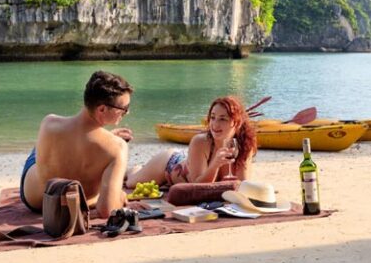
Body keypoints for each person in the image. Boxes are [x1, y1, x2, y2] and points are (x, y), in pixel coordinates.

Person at [19, 71, 134, 218]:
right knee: (104, 155)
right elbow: (107, 210)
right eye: (124, 109)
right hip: (75, 203)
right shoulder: (118, 147)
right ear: (102, 109)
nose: (127, 113)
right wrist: (119, 197)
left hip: (36, 200)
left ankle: (95, 139)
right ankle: (98, 140)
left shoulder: (49, 123)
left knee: (42, 148)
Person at [126, 96, 257, 187]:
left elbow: (242, 184)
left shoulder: (244, 146)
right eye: (212, 118)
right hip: (169, 163)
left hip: (190, 160)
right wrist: (214, 165)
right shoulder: (201, 142)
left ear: (237, 123)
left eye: (223, 119)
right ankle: (133, 169)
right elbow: (197, 186)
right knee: (131, 183)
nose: (215, 124)